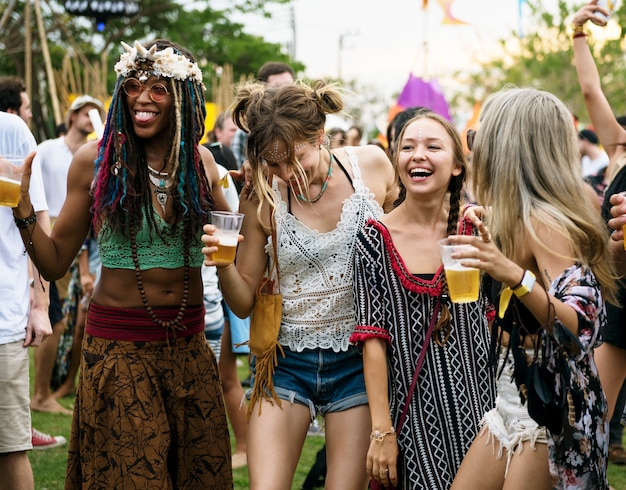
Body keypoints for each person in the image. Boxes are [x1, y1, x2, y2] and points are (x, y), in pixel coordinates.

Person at [11, 39, 233, 488]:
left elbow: (236, 244)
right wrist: (22, 208)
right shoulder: (94, 161)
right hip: (119, 353)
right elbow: (54, 263)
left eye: (159, 88)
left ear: (185, 95)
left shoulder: (202, 163)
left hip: (189, 349)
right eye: (133, 85)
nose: (142, 98)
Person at [203, 79, 397, 489]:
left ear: (320, 136)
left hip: (360, 363)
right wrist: (222, 263)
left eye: (297, 158)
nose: (287, 174)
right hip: (286, 363)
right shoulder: (260, 196)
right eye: (274, 163)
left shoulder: (373, 167)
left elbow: (410, 227)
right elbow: (242, 303)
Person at [450, 87, 616, 489]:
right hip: (511, 398)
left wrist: (510, 272)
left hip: (550, 411)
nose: (473, 149)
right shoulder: (519, 215)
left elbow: (579, 326)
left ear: (509, 147)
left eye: (479, 137)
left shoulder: (545, 221)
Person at [350, 111, 496, 489]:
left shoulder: (478, 229)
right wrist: (381, 431)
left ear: (458, 167)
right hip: (412, 418)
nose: (418, 154)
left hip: (485, 409)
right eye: (408, 147)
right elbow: (373, 339)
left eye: (433, 146)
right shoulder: (373, 239)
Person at [571, 0, 626, 436]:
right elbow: (591, 91)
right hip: (619, 298)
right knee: (591, 426)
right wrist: (577, 34)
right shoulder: (619, 149)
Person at [31, 94, 105, 415]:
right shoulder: (48, 148)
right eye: (86, 112)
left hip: (88, 232)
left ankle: (61, 383)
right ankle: (41, 393)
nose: (92, 118)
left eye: (97, 113)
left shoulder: (97, 154)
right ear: (73, 116)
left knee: (78, 314)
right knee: (54, 316)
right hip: (53, 230)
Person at [0, 112, 53, 489]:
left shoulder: (9, 130)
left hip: (3, 319)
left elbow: (36, 219)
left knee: (10, 447)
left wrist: (40, 303)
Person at [230, 61, 296, 168]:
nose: (285, 91)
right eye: (278, 87)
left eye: (289, 86)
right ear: (263, 90)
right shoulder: (245, 132)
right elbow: (241, 177)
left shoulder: (308, 123)